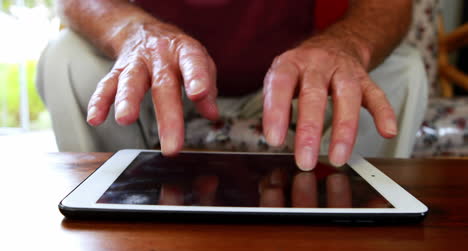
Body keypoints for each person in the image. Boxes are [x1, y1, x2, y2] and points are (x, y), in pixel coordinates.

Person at [37, 0, 428, 171]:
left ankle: (357, 231)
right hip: (162, 84)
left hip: (291, 89)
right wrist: (135, 33)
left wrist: (343, 44)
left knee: (401, 66)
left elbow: (388, 4)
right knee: (65, 55)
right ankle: (109, 222)